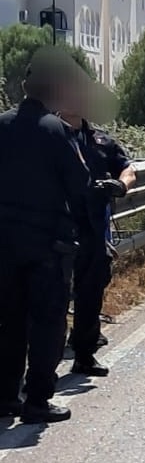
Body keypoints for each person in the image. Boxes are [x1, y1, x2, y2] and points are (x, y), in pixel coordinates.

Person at [0, 47, 92, 424]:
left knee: (7, 321)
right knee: (47, 323)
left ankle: (5, 396)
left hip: (3, 245)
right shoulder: (57, 131)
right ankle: (37, 399)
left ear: (23, 86)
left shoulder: (1, 125)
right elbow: (80, 184)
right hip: (46, 248)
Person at [59, 93, 136, 378]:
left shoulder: (100, 141)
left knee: (91, 294)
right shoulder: (49, 136)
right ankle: (41, 369)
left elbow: (128, 167)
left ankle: (84, 354)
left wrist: (120, 184)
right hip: (58, 227)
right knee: (54, 296)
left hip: (92, 229)